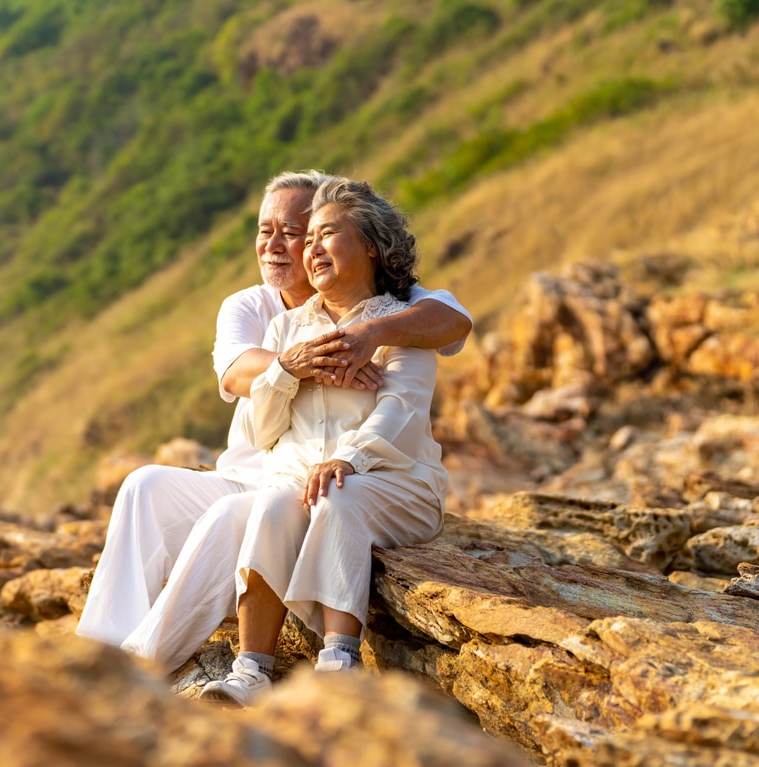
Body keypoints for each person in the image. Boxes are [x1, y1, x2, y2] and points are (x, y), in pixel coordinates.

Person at [76, 170, 472, 667]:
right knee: (143, 485)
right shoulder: (257, 308)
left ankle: (139, 664)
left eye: (299, 231)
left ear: (363, 241)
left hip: (305, 484)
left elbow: (453, 322)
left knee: (235, 518)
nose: (279, 245)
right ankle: (98, 646)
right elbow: (238, 371)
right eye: (267, 230)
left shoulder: (394, 305)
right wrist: (301, 364)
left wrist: (370, 334)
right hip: (252, 472)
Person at [199, 177, 448, 706]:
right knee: (270, 505)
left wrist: (347, 459)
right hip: (301, 481)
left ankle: (339, 660)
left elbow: (400, 411)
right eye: (307, 238)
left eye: (326, 235)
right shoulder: (287, 330)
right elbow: (264, 430)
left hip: (394, 483)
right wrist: (294, 374)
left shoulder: (398, 324)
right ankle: (251, 670)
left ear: (373, 246)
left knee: (337, 496)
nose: (309, 250)